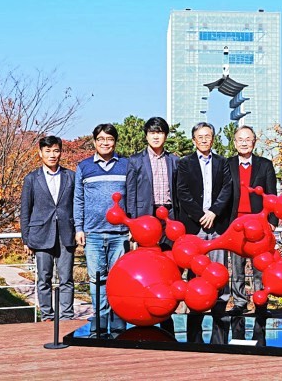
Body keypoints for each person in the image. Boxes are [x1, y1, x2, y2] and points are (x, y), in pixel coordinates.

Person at [176, 122, 233, 344]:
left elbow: (227, 189)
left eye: (207, 136)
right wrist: (201, 215)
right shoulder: (184, 163)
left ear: (213, 138)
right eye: (199, 136)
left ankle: (219, 318)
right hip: (195, 225)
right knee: (196, 271)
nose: (203, 140)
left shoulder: (222, 162)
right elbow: (182, 192)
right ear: (193, 140)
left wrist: (214, 212)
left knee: (219, 271)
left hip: (217, 225)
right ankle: (195, 318)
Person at [74, 123, 130, 338]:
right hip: (93, 234)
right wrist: (79, 228)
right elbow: (78, 200)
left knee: (119, 280)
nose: (105, 143)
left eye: (109, 139)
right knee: (97, 280)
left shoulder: (126, 165)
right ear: (94, 141)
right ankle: (100, 321)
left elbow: (132, 197)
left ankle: (118, 321)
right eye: (101, 139)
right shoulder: (84, 167)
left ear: (115, 141)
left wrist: (132, 226)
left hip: (120, 234)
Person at [125, 116, 179, 334]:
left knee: (169, 261)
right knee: (147, 264)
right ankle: (145, 307)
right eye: (152, 132)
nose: (156, 136)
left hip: (169, 215)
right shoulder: (135, 161)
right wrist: (133, 223)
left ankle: (167, 308)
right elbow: (130, 193)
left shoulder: (174, 160)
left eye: (160, 132)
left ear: (165, 136)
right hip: (146, 217)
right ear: (146, 135)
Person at [20, 136, 76, 322]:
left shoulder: (71, 176)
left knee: (66, 278)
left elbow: (77, 205)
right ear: (40, 153)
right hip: (41, 235)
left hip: (66, 234)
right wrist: (26, 239)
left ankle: (67, 317)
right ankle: (47, 316)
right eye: (48, 151)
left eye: (56, 151)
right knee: (44, 278)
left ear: (61, 152)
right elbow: (25, 210)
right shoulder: (31, 178)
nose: (52, 155)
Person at [226, 125, 278, 317]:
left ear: (254, 142)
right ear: (234, 143)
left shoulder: (265, 165)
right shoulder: (227, 164)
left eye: (248, 139)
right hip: (236, 224)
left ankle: (260, 303)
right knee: (237, 266)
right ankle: (240, 302)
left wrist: (273, 221)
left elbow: (272, 195)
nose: (244, 143)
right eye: (240, 139)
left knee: (260, 266)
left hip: (260, 223)